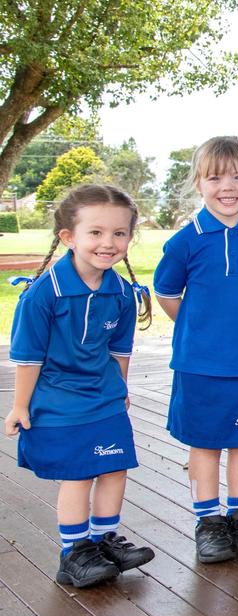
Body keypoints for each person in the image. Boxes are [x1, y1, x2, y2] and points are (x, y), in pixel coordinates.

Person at [5, 184, 155, 587]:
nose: (109, 243)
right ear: (68, 237)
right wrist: (20, 406)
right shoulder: (43, 294)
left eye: (119, 233)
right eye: (96, 232)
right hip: (59, 400)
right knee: (81, 473)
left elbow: (120, 348)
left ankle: (104, 541)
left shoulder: (122, 292)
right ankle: (74, 553)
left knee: (114, 467)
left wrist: (121, 390)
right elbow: (28, 356)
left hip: (104, 398)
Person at [153, 137, 238, 564]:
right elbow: (168, 294)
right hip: (200, 366)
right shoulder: (184, 242)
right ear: (198, 183)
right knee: (206, 444)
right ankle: (209, 521)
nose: (227, 186)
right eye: (215, 178)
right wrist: (202, 328)